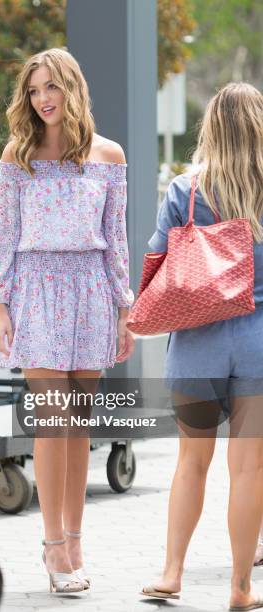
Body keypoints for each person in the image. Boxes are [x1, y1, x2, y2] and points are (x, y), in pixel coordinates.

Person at [0, 48, 135, 594]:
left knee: (78, 425)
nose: (42, 98)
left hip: (92, 290)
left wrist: (125, 309)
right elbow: (3, 236)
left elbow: (116, 240)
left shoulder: (109, 157)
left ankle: (75, 540)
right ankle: (52, 547)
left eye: (51, 87)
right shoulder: (18, 155)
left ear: (73, 89)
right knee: (53, 422)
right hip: (37, 288)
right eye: (33, 90)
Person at [140, 82, 263, 611]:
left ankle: (172, 572)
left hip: (195, 347)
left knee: (191, 461)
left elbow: (158, 260)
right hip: (258, 345)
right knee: (249, 468)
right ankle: (239, 587)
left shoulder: (186, 190)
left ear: (210, 127)